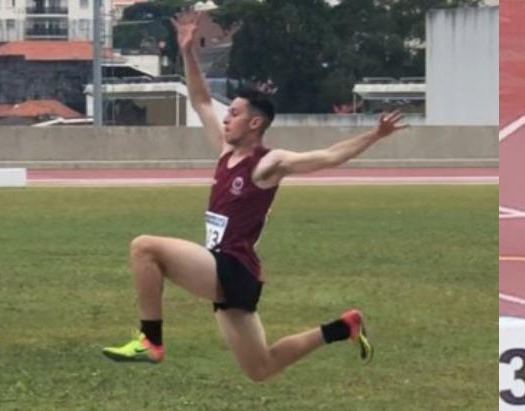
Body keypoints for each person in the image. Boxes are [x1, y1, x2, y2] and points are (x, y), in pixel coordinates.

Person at [103, 10, 407, 379]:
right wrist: (187, 51)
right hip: (227, 271)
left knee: (144, 247)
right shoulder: (225, 151)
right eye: (227, 114)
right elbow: (199, 100)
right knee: (261, 367)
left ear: (255, 122)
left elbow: (327, 157)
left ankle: (150, 341)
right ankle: (344, 327)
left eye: (233, 114)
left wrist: (374, 135)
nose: (225, 119)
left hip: (232, 267)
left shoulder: (267, 164)